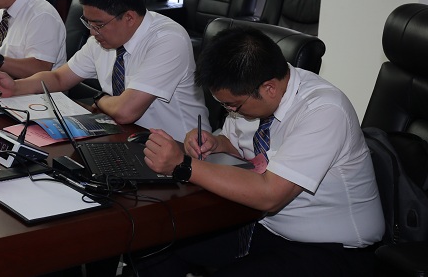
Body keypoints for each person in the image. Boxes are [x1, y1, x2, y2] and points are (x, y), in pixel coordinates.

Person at [140, 26, 384, 277]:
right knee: (155, 243)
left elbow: (270, 194)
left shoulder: (324, 110)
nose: (231, 111)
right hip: (264, 225)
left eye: (233, 105)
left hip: (330, 249)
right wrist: (215, 143)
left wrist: (184, 165)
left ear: (269, 88)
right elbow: (236, 145)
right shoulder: (253, 97)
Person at [0, 0, 209, 140]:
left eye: (98, 25)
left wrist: (99, 100)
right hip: (125, 137)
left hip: (179, 150)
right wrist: (15, 87)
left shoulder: (168, 40)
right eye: (88, 23)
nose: (92, 32)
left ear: (129, 17)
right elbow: (59, 77)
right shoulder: (103, 38)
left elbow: (126, 111)